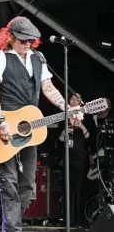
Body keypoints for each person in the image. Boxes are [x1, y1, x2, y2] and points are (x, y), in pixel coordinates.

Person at [0, 16, 82, 232]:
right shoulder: (0, 58)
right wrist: (0, 121)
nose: (27, 43)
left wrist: (67, 108)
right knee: (8, 182)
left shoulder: (38, 58)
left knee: (27, 185)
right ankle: (13, 230)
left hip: (28, 127)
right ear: (10, 38)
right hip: (4, 125)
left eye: (30, 40)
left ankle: (9, 226)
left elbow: (48, 87)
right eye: (22, 40)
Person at [58, 93, 89, 227]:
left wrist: (80, 126)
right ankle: (67, 221)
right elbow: (59, 139)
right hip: (67, 157)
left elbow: (88, 137)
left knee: (79, 189)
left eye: (77, 99)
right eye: (72, 99)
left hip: (80, 158)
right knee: (67, 189)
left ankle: (80, 220)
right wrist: (67, 129)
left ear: (80, 103)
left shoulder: (85, 117)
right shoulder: (63, 117)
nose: (74, 101)